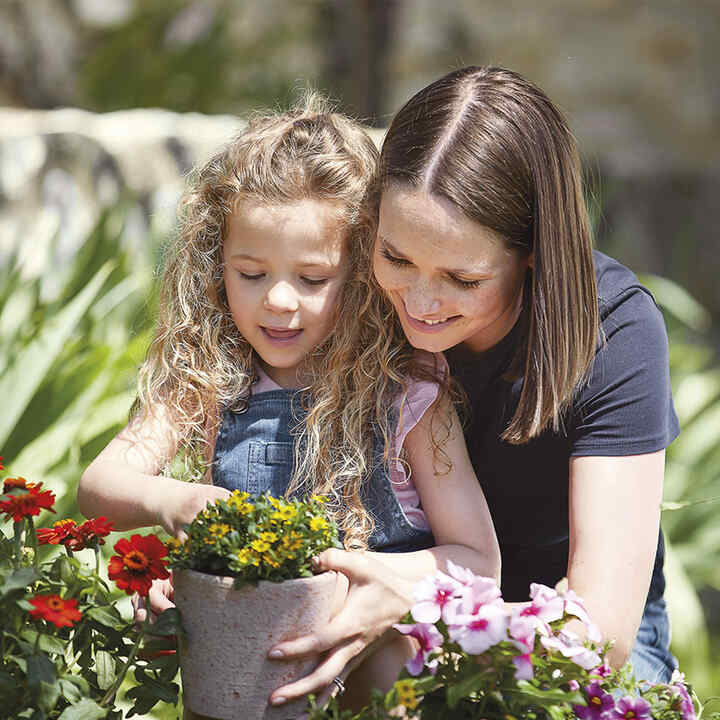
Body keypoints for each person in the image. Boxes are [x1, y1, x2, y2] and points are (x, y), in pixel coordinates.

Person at [77, 95, 501, 714]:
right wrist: (179, 505)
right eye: (250, 272)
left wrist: (376, 583)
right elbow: (98, 485)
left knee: (385, 670)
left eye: (312, 278)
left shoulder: (406, 393)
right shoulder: (209, 378)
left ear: (362, 274)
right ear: (215, 265)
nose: (278, 300)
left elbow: (477, 560)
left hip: (372, 659)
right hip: (248, 665)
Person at [268, 65, 678, 701]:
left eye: (462, 279)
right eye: (396, 257)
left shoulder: (616, 333)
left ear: (534, 249)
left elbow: (602, 632)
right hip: (379, 614)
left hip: (549, 635)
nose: (420, 302)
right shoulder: (354, 294)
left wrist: (416, 603)